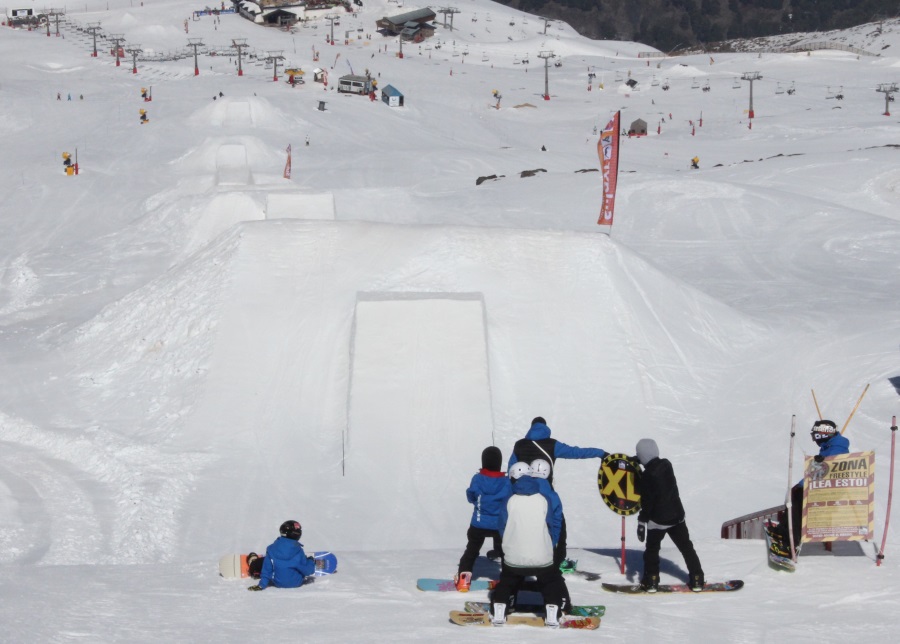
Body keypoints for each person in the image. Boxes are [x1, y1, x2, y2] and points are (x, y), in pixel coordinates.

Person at [508, 417, 606, 568]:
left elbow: (511, 469)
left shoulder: (519, 445)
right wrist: (600, 453)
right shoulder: (552, 444)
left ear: (531, 427)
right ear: (545, 428)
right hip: (545, 492)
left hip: (521, 493)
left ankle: (520, 558)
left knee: (523, 525)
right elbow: (576, 452)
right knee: (558, 524)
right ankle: (559, 560)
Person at [490, 460, 570, 627]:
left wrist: (509, 543)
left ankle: (500, 608)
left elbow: (502, 527)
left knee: (507, 580)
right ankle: (553, 613)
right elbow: (551, 526)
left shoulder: (509, 500)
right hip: (542, 558)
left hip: (514, 558)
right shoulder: (544, 499)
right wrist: (550, 545)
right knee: (550, 582)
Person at [635, 438, 704, 592]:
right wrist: (640, 460)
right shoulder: (667, 465)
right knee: (687, 548)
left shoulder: (646, 477)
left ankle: (652, 580)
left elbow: (647, 501)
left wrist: (642, 520)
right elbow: (654, 466)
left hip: (657, 521)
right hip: (676, 516)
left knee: (652, 550)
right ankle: (697, 578)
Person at [777, 419, 850, 548]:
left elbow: (824, 471)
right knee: (795, 493)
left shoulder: (836, 449)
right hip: (826, 488)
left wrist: (801, 485)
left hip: (830, 491)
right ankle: (786, 531)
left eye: (815, 436)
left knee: (796, 497)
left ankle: (791, 539)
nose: (814, 440)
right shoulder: (831, 447)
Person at [455, 446, 511, 591]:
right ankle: (506, 580)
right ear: (499, 462)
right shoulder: (506, 482)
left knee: (472, 551)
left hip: (478, 523)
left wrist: (479, 502)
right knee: (505, 552)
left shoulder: (478, 478)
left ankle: (463, 580)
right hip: (499, 525)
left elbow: (470, 496)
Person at [247, 520, 317, 591]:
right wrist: (311, 562)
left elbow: (267, 570)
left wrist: (261, 585)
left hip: (278, 583)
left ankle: (253, 563)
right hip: (296, 583)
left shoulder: (271, 549)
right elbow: (308, 571)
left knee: (267, 561)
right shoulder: (298, 551)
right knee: (301, 562)